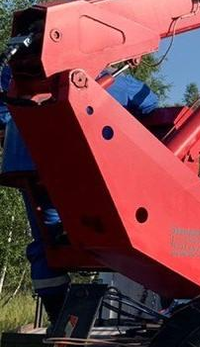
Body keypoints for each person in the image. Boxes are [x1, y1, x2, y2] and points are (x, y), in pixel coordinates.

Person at [0, 66, 159, 321]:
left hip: (28, 165)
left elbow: (4, 114)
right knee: (130, 235)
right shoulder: (106, 77)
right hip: (82, 165)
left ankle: (59, 316)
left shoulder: (17, 74)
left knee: (47, 240)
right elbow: (152, 105)